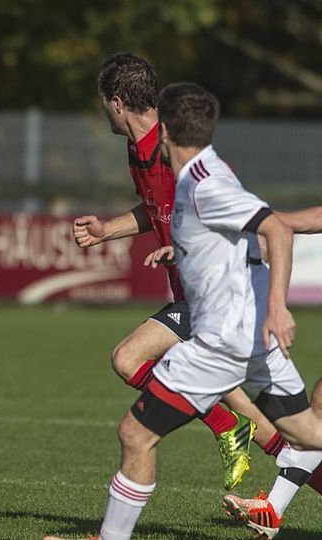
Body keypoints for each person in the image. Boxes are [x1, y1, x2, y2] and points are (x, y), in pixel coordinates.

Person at [46, 82, 322, 540]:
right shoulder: (202, 175)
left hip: (223, 340)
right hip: (251, 337)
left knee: (136, 434)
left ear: (166, 131)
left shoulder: (203, 183)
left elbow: (275, 229)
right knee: (309, 434)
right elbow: (239, 234)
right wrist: (190, 250)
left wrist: (277, 307)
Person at [72, 52, 291, 491]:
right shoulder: (137, 150)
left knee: (128, 359)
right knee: (271, 427)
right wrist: (107, 230)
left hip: (216, 292)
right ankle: (280, 460)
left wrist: (191, 246)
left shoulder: (178, 147)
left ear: (117, 103)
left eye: (103, 103)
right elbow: (155, 208)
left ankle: (227, 428)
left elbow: (231, 211)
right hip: (196, 295)